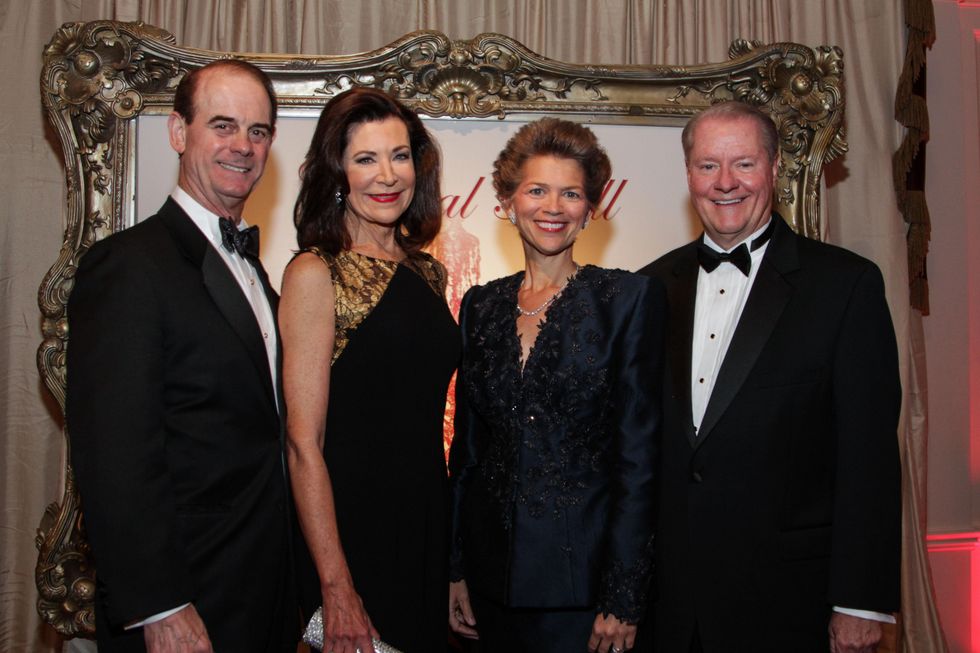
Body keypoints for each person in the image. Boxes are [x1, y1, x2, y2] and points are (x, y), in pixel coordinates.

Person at [639, 101, 902, 653]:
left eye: (744, 163)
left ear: (775, 167)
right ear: (688, 174)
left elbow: (868, 457)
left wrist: (859, 602)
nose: (725, 182)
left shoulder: (844, 286)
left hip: (790, 602)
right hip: (670, 606)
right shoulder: (648, 288)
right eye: (708, 165)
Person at [67, 60, 301, 652]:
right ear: (178, 132)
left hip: (262, 589)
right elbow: (114, 452)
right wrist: (160, 605)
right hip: (183, 603)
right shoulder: (128, 266)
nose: (242, 146)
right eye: (222, 125)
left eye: (257, 131)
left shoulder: (254, 272)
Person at [448, 118, 665, 653]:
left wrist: (623, 597)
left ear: (590, 210)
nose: (553, 207)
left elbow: (638, 463)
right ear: (508, 201)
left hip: (583, 592)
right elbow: (468, 454)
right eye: (537, 190)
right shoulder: (481, 305)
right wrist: (456, 568)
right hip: (489, 583)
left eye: (571, 193)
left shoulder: (627, 300)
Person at [280, 87, 459, 653]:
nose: (387, 175)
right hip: (352, 534)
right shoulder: (316, 271)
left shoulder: (428, 272)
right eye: (365, 158)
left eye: (399, 155)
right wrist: (336, 585)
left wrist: (453, 564)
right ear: (337, 172)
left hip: (424, 525)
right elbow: (303, 444)